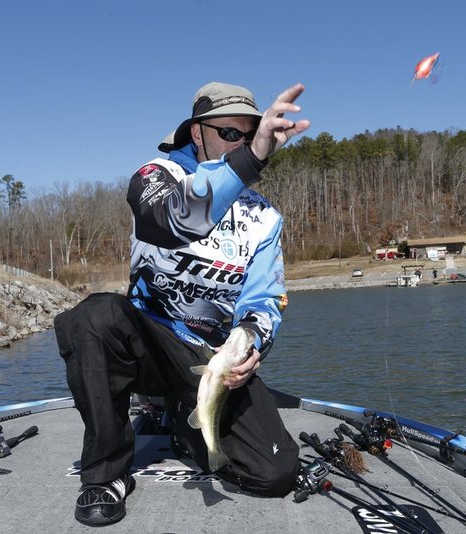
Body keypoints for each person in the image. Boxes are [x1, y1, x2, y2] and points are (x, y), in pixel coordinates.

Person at [55, 82, 310, 526]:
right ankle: (106, 473)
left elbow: (265, 299)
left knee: (276, 473)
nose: (242, 144)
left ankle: (183, 424)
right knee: (93, 316)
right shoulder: (155, 177)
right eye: (231, 134)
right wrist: (251, 160)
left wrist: (250, 341)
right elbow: (170, 221)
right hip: (148, 345)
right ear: (198, 133)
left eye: (249, 137)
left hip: (213, 364)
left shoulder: (265, 217)